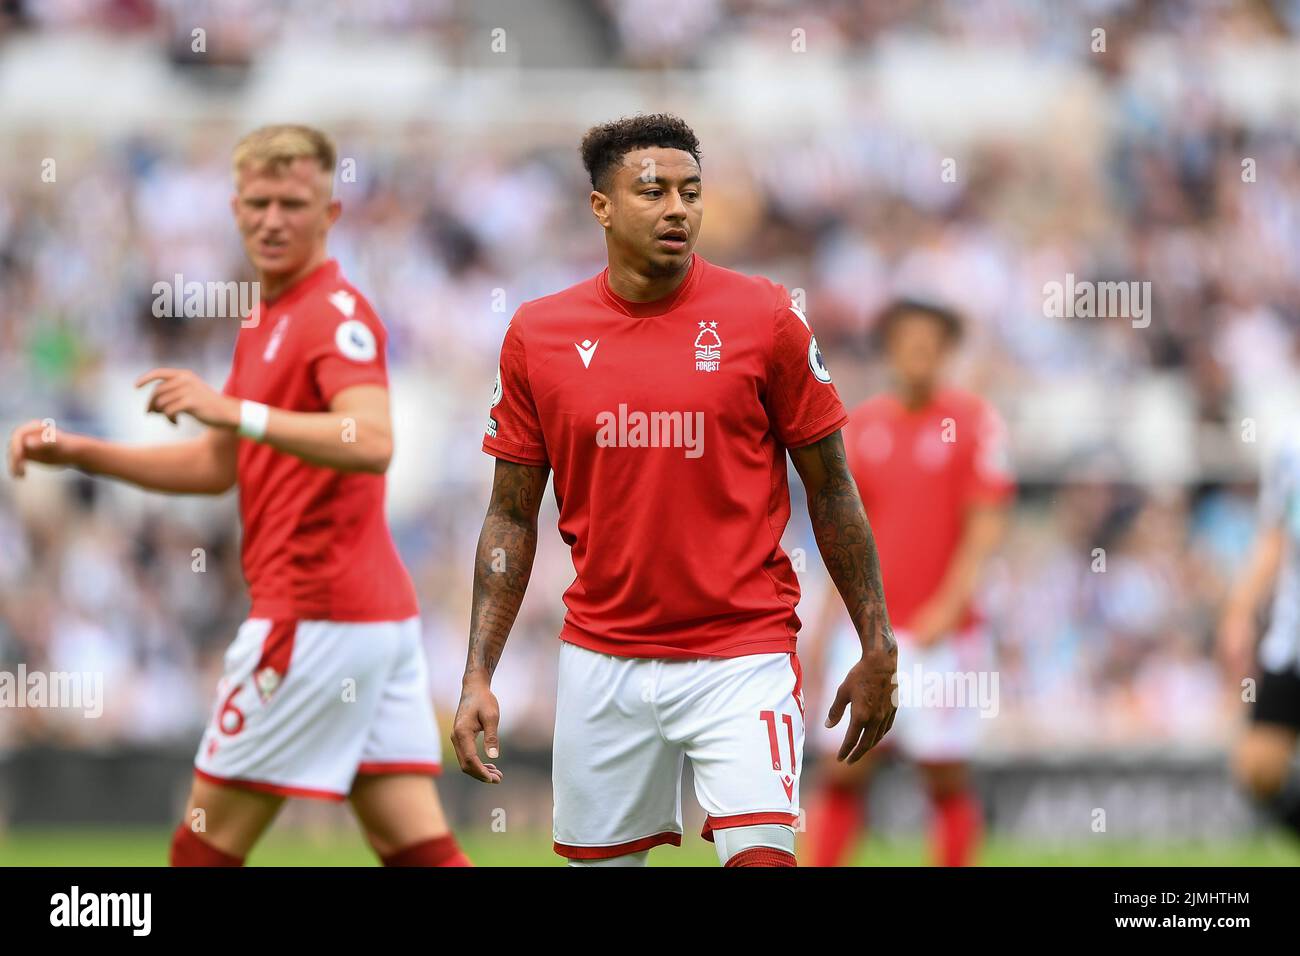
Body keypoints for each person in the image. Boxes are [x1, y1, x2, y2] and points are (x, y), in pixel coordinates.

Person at [7, 125, 467, 867]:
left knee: (199, 851)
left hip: (314, 616)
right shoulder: (265, 318)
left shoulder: (334, 317)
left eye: (293, 202)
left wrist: (237, 411)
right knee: (416, 845)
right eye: (258, 202)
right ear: (235, 207)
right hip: (369, 620)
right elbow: (219, 466)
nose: (273, 219)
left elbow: (371, 439)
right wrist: (84, 451)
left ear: (330, 214)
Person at [450, 113, 897, 867]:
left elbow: (833, 490)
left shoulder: (766, 318)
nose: (677, 209)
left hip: (742, 653)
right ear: (602, 207)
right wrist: (476, 673)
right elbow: (511, 517)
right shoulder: (538, 334)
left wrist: (876, 640)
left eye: (691, 192)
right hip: (602, 662)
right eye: (653, 191)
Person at [802, 299, 1013, 867]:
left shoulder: (974, 423)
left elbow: (986, 527)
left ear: (946, 351)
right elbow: (845, 537)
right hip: (871, 631)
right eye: (906, 340)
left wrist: (951, 604)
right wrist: (825, 623)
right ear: (890, 348)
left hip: (945, 634)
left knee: (942, 771)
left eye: (930, 341)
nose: (918, 352)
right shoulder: (864, 426)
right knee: (844, 766)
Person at [1218, 428, 1300, 841]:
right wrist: (1240, 613)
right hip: (1292, 641)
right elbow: (1273, 540)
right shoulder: (1291, 448)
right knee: (1257, 768)